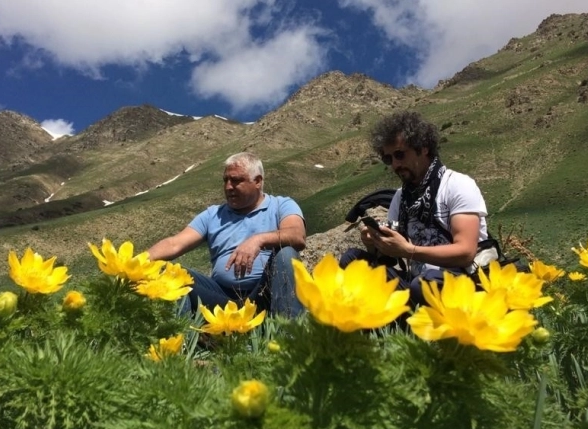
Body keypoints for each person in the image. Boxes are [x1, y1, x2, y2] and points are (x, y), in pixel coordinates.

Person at [340, 111, 489, 307]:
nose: (395, 164)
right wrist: (375, 243)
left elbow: (466, 252)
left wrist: (409, 250)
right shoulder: (401, 197)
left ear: (424, 148)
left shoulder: (457, 185)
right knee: (353, 260)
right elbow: (390, 257)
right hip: (416, 281)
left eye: (400, 155)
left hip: (461, 282)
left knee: (423, 285)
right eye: (388, 159)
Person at [147, 152, 306, 318]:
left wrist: (258, 240)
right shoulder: (213, 215)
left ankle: (288, 337)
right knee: (167, 271)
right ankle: (182, 339)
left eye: (236, 180)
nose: (228, 187)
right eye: (226, 180)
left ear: (257, 181)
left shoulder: (282, 205)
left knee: (287, 253)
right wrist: (135, 264)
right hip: (220, 297)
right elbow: (175, 244)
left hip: (264, 294)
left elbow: (297, 235)